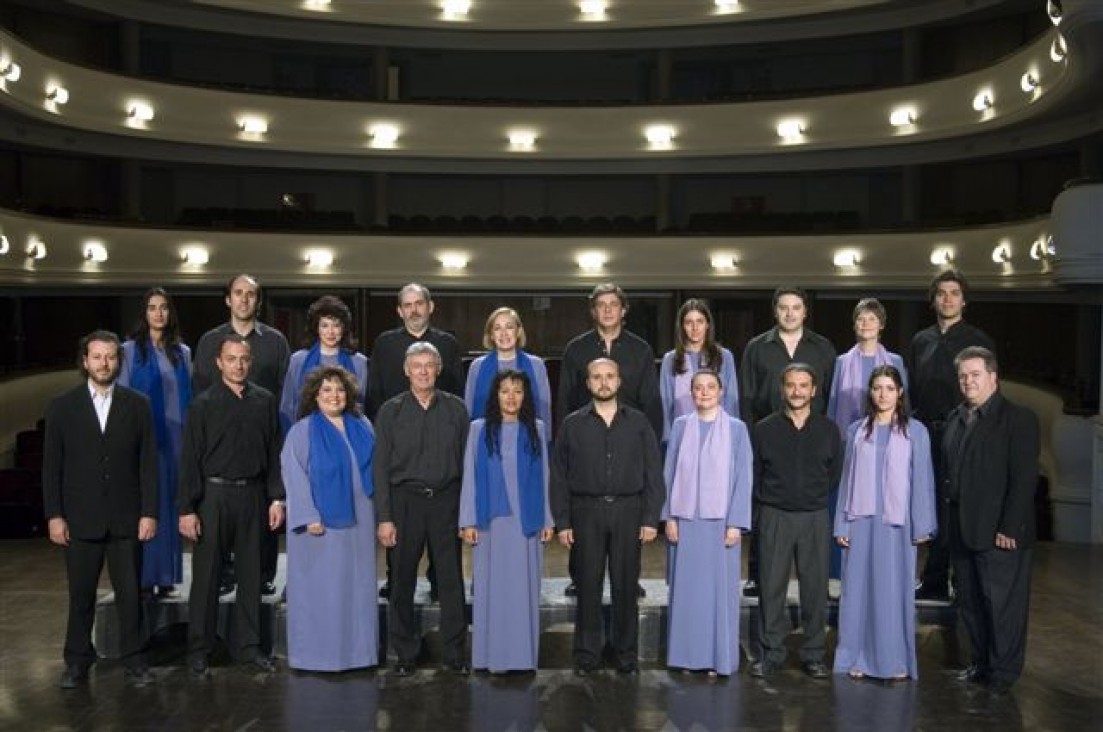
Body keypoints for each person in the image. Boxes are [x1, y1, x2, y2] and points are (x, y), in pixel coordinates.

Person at [43, 330, 158, 689]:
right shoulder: (63, 406)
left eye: (110, 356)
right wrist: (54, 515)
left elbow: (148, 465)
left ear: (117, 361)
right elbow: (52, 467)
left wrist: (149, 512)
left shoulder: (138, 404)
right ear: (85, 361)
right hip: (80, 519)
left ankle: (134, 658)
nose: (104, 363)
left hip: (127, 517)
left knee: (129, 595)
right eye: (97, 356)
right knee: (81, 595)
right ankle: (77, 660)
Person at [178, 335, 285, 678]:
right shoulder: (202, 404)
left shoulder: (265, 401)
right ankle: (199, 649)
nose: (238, 364)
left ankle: (249, 647)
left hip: (253, 495)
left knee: (252, 575)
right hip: (214, 497)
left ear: (250, 362)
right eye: (231, 358)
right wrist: (187, 509)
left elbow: (273, 454)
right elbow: (190, 460)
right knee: (207, 577)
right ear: (219, 362)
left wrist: (276, 498)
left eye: (244, 358)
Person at [551, 358, 664, 675]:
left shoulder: (639, 423)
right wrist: (563, 522)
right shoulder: (573, 424)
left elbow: (654, 473)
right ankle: (587, 654)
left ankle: (625, 653)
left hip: (629, 511)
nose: (603, 382)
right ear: (588, 384)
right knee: (587, 585)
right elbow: (558, 476)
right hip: (585, 512)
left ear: (619, 381)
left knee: (626, 585)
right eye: (597, 377)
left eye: (609, 376)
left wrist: (651, 518)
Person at [557, 283, 661, 598]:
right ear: (593, 311)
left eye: (613, 304)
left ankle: (630, 577)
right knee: (584, 511)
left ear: (623, 310)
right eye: (600, 305)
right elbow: (565, 399)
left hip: (630, 440)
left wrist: (649, 448)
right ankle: (580, 577)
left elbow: (651, 402)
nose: (607, 310)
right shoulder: (576, 349)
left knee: (628, 516)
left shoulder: (640, 350)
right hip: (584, 437)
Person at [833, 365, 936, 681]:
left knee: (893, 591)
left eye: (889, 388)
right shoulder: (856, 431)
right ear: (870, 392)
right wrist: (841, 524)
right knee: (858, 591)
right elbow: (846, 480)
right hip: (861, 519)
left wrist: (922, 525)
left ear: (900, 393)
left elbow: (922, 480)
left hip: (897, 523)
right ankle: (857, 657)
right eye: (877, 388)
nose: (883, 394)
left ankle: (894, 661)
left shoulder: (915, 431)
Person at [946, 346, 1039, 696]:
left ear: (993, 377)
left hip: (1001, 533)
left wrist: (1009, 528)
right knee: (970, 603)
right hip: (963, 529)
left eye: (975, 374)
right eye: (963, 376)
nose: (968, 381)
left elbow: (1024, 479)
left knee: (1002, 607)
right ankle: (980, 663)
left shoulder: (1018, 418)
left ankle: (1003, 672)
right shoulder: (956, 417)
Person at [374, 342, 470, 676]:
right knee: (401, 580)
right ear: (406, 370)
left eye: (430, 365)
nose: (424, 371)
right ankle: (405, 654)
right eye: (417, 365)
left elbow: (467, 464)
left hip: (447, 501)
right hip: (404, 502)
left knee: (451, 581)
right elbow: (380, 468)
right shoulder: (390, 411)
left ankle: (454, 653)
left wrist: (466, 513)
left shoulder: (457, 410)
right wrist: (384, 518)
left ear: (439, 369)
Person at [192, 274, 290, 596]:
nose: (244, 299)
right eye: (238, 293)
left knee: (262, 523)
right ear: (228, 299)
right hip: (220, 443)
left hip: (261, 436)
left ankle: (263, 574)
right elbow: (201, 393)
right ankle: (223, 575)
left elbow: (284, 392)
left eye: (251, 294)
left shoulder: (275, 341)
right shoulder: (209, 341)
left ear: (258, 301)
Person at [740, 286, 836, 598]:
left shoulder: (822, 348)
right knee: (764, 507)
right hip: (768, 435)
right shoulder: (757, 347)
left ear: (805, 312)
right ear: (775, 311)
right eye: (784, 307)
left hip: (811, 436)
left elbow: (831, 396)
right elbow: (746, 397)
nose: (790, 313)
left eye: (796, 307)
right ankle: (757, 574)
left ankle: (818, 580)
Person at [281, 365, 378, 672]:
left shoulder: (363, 425)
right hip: (320, 524)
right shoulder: (303, 430)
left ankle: (358, 655)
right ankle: (317, 656)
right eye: (326, 390)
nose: (334, 396)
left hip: (360, 521)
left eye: (339, 390)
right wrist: (309, 515)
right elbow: (294, 475)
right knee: (322, 591)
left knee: (357, 588)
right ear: (314, 395)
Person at [369, 283, 463, 599]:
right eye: (407, 305)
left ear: (430, 307)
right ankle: (396, 581)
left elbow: (457, 392)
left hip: (439, 433)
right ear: (399, 311)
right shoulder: (385, 344)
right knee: (403, 552)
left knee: (445, 552)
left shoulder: (447, 344)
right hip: (399, 440)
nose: (414, 309)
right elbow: (375, 392)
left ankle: (439, 581)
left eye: (419, 303)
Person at [749, 364, 842, 679]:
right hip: (775, 515)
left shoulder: (829, 430)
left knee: (815, 591)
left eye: (804, 385)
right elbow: (755, 475)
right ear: (782, 388)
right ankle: (771, 654)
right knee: (771, 588)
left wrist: (810, 498)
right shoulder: (764, 429)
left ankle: (813, 654)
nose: (797, 391)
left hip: (815, 516)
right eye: (791, 385)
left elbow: (834, 475)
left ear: (814, 390)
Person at [910, 270, 997, 602]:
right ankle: (932, 578)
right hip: (927, 433)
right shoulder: (921, 340)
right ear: (933, 300)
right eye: (942, 293)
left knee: (958, 505)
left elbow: (988, 391)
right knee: (930, 504)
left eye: (954, 293)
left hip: (963, 431)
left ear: (965, 300)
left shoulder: (978, 340)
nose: (947, 298)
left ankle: (961, 580)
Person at [460, 369, 553, 673]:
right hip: (491, 523)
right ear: (494, 396)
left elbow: (545, 477)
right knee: (491, 590)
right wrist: (468, 520)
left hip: (527, 522)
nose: (511, 397)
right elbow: (470, 478)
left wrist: (548, 519)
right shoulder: (478, 429)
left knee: (523, 590)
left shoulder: (536, 428)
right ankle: (490, 657)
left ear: (526, 396)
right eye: (504, 391)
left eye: (517, 391)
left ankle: (523, 658)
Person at [662, 369, 752, 677]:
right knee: (687, 594)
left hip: (720, 523)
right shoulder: (680, 426)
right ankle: (686, 658)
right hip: (686, 520)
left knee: (718, 595)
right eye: (698, 388)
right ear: (691, 392)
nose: (703, 393)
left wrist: (736, 523)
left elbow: (744, 477)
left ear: (721, 391)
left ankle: (717, 658)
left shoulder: (737, 429)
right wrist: (669, 516)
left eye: (710, 387)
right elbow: (669, 472)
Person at [825, 297, 906, 582]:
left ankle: (882, 569)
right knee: (844, 506)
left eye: (872, 319)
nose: (866, 324)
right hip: (851, 445)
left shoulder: (895, 362)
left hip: (887, 444)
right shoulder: (841, 362)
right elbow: (834, 406)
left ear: (881, 324)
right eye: (860, 319)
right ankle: (839, 573)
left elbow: (903, 404)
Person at [119, 287, 192, 598]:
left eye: (164, 308)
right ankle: (145, 575)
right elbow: (122, 400)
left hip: (178, 442)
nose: (159, 313)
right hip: (146, 441)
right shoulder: (129, 351)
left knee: (171, 505)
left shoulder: (183, 352)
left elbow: (189, 400)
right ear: (144, 313)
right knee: (150, 505)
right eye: (152, 307)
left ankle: (166, 576)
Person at [280, 295, 369, 433]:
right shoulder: (298, 360)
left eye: (336, 325)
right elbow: (287, 406)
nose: (330, 332)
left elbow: (361, 406)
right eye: (325, 325)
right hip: (305, 433)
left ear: (344, 328)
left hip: (348, 433)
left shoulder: (358, 362)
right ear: (317, 328)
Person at [659, 299, 739, 445]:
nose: (695, 327)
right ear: (682, 326)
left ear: (707, 324)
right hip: (682, 437)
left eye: (700, 321)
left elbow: (731, 399)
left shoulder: (724, 357)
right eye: (689, 322)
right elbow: (666, 402)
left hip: (718, 435)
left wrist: (731, 435)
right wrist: (668, 440)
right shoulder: (670, 359)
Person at [464, 307, 552, 431]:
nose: (504, 333)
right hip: (486, 439)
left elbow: (544, 410)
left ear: (519, 332)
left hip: (528, 441)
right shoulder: (477, 366)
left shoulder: (536, 365)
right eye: (497, 328)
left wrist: (545, 443)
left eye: (509, 327)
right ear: (491, 335)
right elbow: (469, 410)